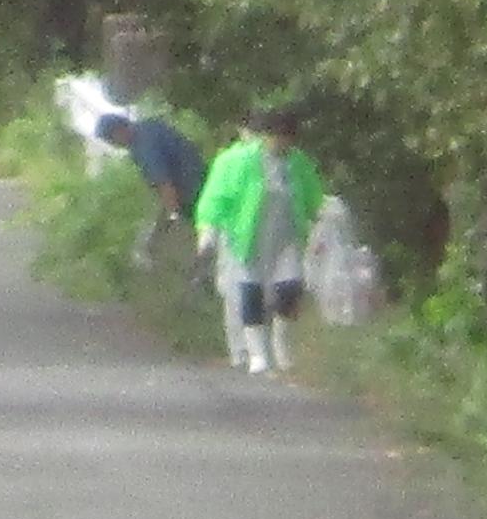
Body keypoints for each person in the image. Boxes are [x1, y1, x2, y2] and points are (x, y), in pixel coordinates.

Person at [193, 106, 325, 376]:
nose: (283, 144)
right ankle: (257, 354)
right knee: (250, 291)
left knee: (290, 288)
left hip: (286, 237)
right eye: (278, 137)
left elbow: (313, 197)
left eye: (289, 139)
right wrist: (208, 231)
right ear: (265, 136)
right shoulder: (238, 161)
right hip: (249, 237)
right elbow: (216, 198)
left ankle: (281, 343)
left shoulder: (297, 163)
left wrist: (325, 216)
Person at [93, 111, 207, 223]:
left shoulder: (143, 146)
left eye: (110, 140)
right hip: (204, 176)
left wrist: (173, 215)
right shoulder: (149, 125)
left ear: (118, 131)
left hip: (195, 195)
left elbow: (164, 183)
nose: (113, 145)